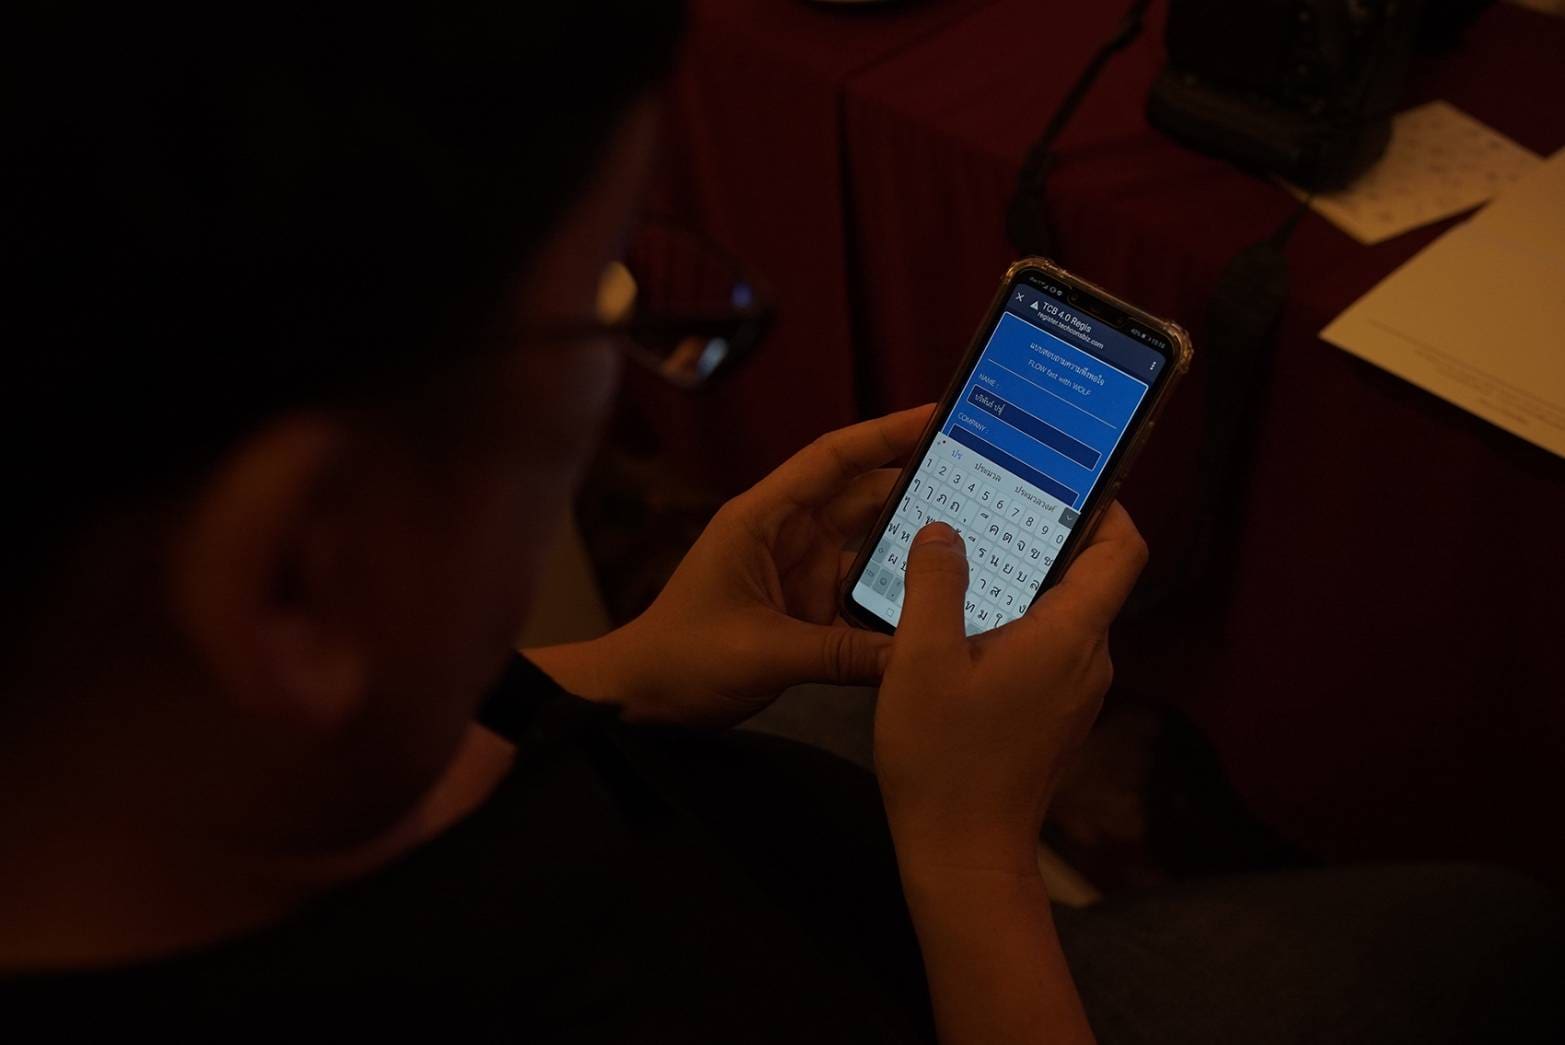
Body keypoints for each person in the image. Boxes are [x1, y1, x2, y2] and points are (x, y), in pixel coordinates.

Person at [2, 4, 1557, 1042]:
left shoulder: (156, 762)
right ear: (295, 574)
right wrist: (973, 864)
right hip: (935, 946)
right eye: (594, 309)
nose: (618, 377)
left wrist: (621, 671)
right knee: (1484, 926)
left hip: (727, 819)